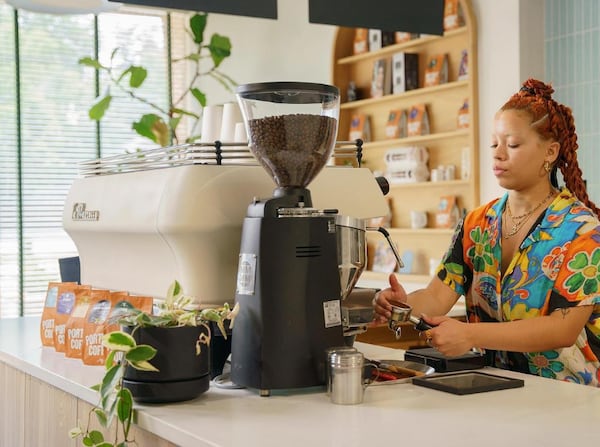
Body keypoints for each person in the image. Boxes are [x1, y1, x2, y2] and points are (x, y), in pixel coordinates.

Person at [372, 78, 600, 386]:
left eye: (513, 144)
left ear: (551, 152)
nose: (498, 154)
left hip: (572, 399)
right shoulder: (476, 223)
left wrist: (468, 334)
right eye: (494, 144)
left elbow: (562, 330)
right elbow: (436, 296)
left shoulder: (583, 230)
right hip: (496, 389)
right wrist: (402, 306)